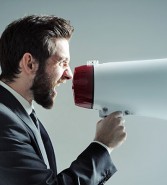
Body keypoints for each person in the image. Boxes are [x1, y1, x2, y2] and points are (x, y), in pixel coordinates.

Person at [0, 15, 127, 185]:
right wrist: (102, 145)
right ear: (30, 63)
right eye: (62, 62)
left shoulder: (17, 113)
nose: (69, 74)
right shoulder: (4, 121)